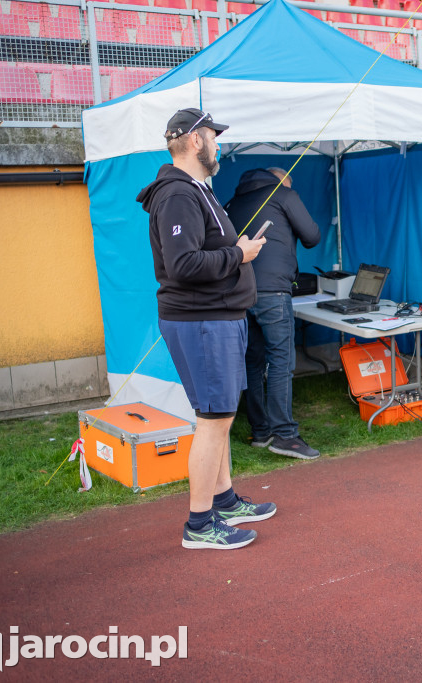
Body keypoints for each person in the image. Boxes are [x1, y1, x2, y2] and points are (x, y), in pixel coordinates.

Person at [138, 108, 275, 550]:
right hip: (202, 320)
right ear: (195, 140)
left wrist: (234, 250)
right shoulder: (178, 194)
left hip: (216, 317)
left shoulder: (194, 190)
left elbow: (200, 252)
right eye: (214, 137)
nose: (218, 144)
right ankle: (200, 524)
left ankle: (225, 499)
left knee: (218, 416)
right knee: (214, 420)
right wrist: (239, 256)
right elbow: (183, 265)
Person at [226, 167, 322, 459]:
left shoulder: (233, 201)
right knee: (281, 361)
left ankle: (261, 431)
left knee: (252, 362)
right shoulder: (284, 194)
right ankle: (285, 435)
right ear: (283, 181)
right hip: (273, 292)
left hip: (241, 291)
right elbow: (313, 236)